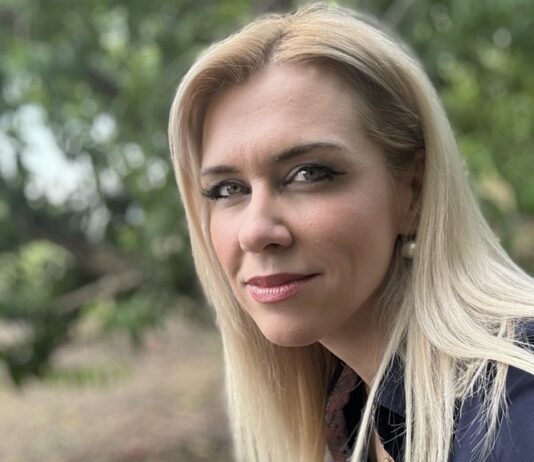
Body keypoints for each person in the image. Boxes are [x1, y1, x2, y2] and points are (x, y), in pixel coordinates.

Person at [168, 4, 534, 461]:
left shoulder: (516, 418)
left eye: (309, 173)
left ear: (413, 190)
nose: (255, 231)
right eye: (227, 189)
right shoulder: (353, 408)